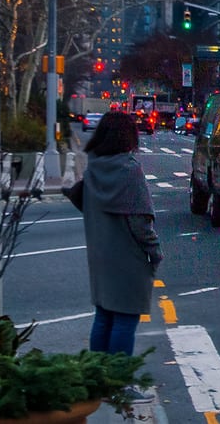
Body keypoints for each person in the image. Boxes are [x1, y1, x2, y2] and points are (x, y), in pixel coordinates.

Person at [65, 110, 161, 355]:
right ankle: (119, 382)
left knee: (104, 317)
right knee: (125, 321)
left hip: (100, 256)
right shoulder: (130, 171)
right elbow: (141, 223)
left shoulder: (93, 168)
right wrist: (155, 252)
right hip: (128, 259)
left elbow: (82, 201)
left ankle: (100, 376)